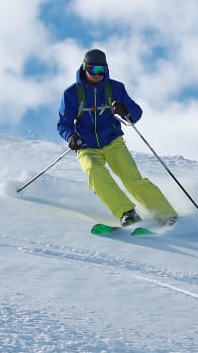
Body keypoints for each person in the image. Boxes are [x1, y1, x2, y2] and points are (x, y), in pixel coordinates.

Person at [57, 48, 177, 227]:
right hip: (86, 145)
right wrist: (71, 137)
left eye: (102, 70)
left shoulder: (115, 88)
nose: (98, 74)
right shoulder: (71, 94)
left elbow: (136, 113)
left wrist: (125, 110)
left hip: (113, 141)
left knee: (131, 177)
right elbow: (63, 124)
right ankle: (127, 213)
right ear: (84, 68)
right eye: (93, 70)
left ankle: (166, 214)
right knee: (95, 173)